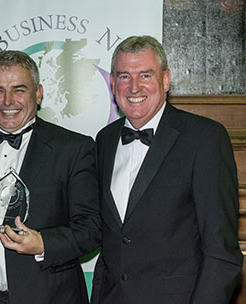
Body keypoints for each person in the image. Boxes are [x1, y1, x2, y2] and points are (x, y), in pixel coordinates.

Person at [91, 35, 243, 303]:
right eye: (125, 76)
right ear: (113, 84)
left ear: (165, 80)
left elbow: (222, 253)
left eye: (145, 75)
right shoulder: (104, 139)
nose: (134, 87)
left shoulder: (205, 139)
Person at [0, 50, 101, 304]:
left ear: (38, 93)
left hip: (46, 297)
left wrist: (43, 243)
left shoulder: (72, 148)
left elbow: (91, 228)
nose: (8, 100)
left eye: (19, 90)